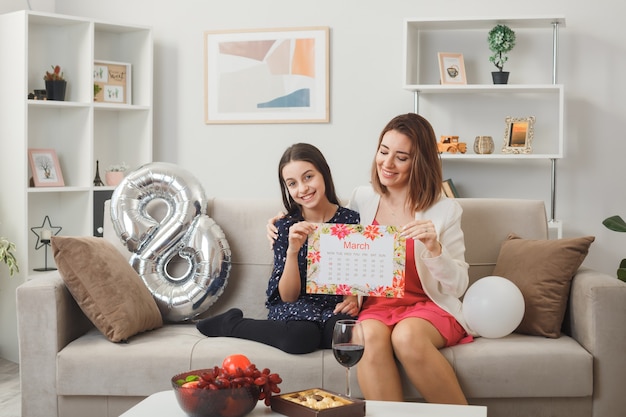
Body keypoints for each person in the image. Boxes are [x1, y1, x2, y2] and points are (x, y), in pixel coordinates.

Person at [267, 113, 475, 404]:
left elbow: (459, 285)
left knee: (407, 337)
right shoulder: (362, 199)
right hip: (377, 306)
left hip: (428, 306)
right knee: (364, 339)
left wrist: (435, 248)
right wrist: (281, 221)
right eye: (383, 151)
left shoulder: (445, 211)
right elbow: (330, 226)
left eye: (401, 157)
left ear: (420, 162)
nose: (387, 164)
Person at [197, 143, 360, 354]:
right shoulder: (285, 226)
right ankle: (231, 324)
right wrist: (292, 250)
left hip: (333, 309)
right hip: (295, 307)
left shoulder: (352, 220)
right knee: (300, 337)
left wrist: (353, 298)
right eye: (292, 183)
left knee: (344, 334)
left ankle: (313, 333)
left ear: (324, 173)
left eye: (308, 177)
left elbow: (360, 275)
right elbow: (288, 296)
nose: (302, 189)